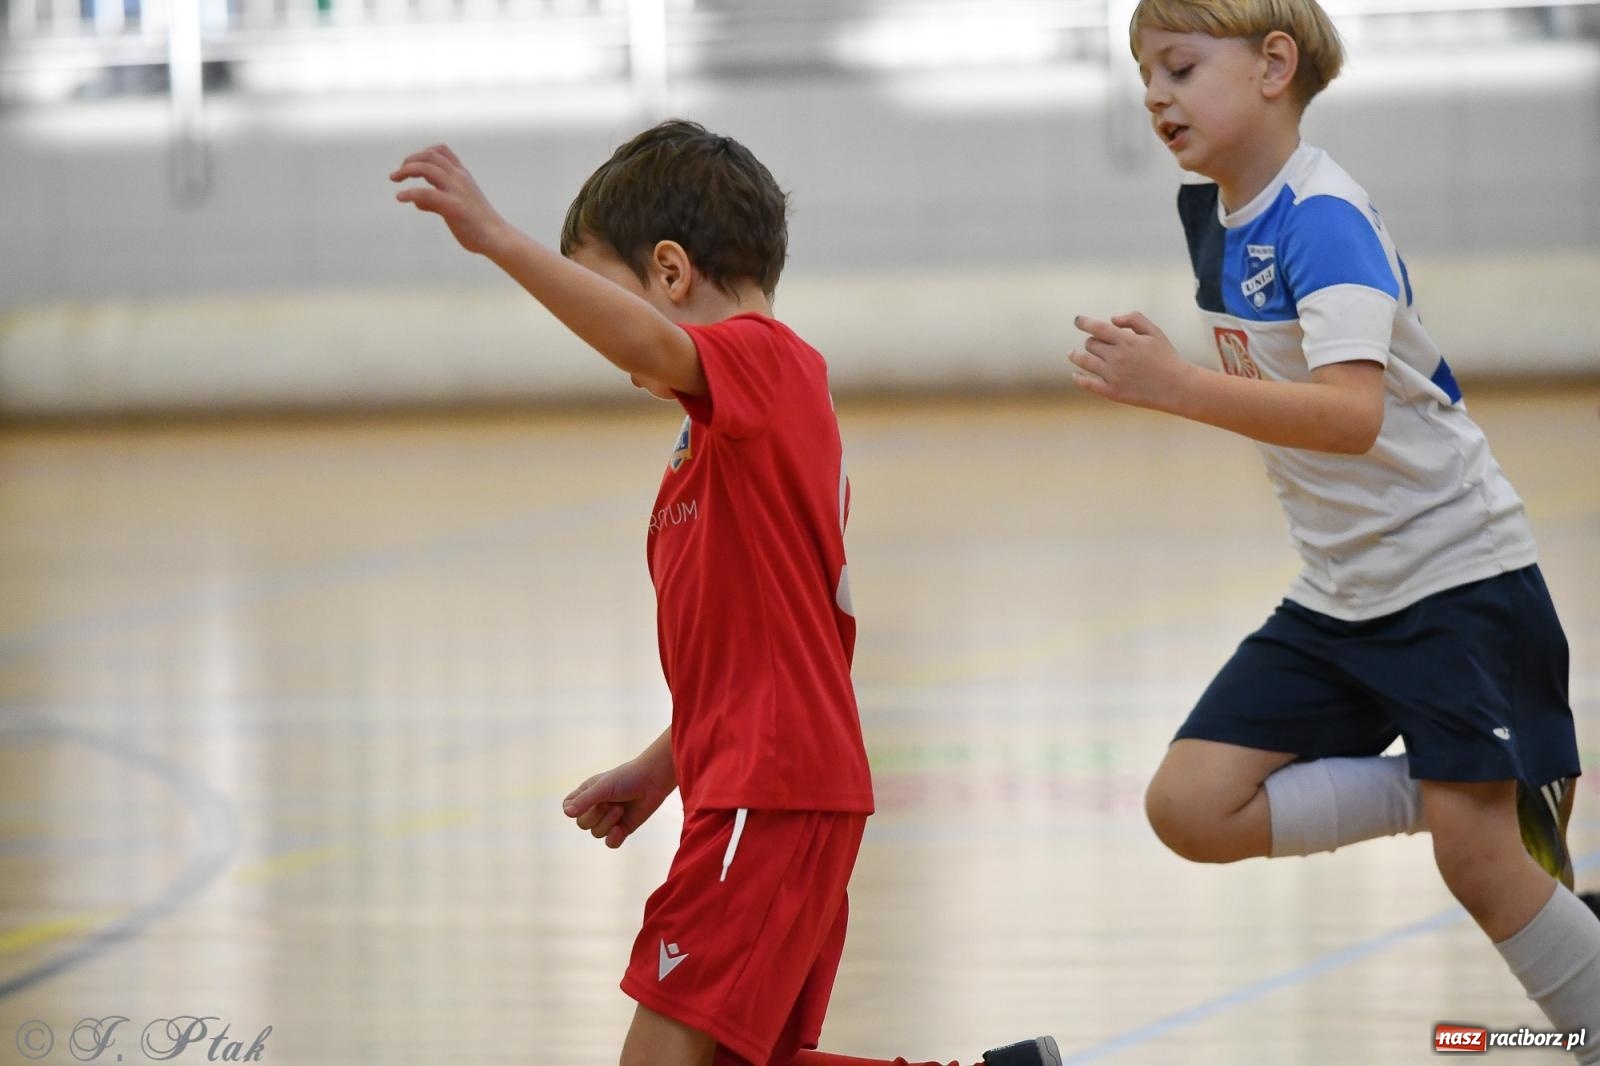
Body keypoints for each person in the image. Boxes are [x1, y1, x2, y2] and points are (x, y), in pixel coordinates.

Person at [391, 121, 1059, 1066]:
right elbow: (768, 649)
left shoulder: (767, 362)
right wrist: (664, 765)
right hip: (761, 785)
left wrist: (500, 239)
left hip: (771, 790)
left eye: (603, 289)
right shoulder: (723, 435)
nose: (607, 337)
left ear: (670, 272)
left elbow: (654, 349)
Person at [1065, 1, 1599, 1058]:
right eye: (1143, 75)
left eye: (1176, 66)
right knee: (1189, 807)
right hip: (1341, 593)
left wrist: (1173, 385)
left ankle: (1489, 813)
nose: (1152, 94)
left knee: (1478, 861)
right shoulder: (1219, 218)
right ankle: (1469, 778)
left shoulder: (1321, 218)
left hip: (1455, 580)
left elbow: (1351, 416)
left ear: (1273, 65)